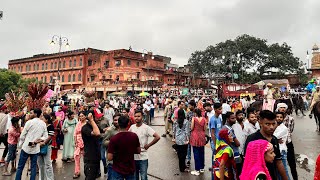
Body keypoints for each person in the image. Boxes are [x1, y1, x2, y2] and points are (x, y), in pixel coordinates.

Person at [244, 110, 288, 180]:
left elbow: (279, 162)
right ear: (260, 122)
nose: (271, 127)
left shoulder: (274, 139)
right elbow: (247, 163)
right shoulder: (252, 139)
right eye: (267, 124)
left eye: (273, 124)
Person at [15, 108, 48, 180]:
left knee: (20, 167)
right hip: (35, 148)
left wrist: (20, 145)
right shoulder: (43, 124)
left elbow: (22, 136)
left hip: (26, 146)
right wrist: (38, 140)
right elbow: (45, 136)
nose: (30, 114)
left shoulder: (29, 122)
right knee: (33, 168)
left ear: (36, 114)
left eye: (32, 113)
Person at [129, 110, 160, 180]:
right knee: (134, 177)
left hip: (143, 157)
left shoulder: (146, 128)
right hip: (133, 157)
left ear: (142, 117)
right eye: (135, 116)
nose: (137, 118)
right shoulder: (132, 127)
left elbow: (157, 137)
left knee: (143, 177)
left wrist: (148, 145)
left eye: (138, 116)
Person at [278, 103, 298, 180]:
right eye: (281, 107)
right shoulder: (275, 119)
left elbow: (291, 130)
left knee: (292, 164)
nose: (282, 109)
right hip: (279, 145)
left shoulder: (291, 119)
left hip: (288, 143)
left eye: (284, 107)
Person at [81, 110, 101, 180]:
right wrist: (91, 120)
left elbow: (103, 131)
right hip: (90, 158)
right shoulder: (85, 128)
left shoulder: (95, 125)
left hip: (96, 157)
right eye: (97, 117)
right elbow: (97, 133)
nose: (99, 119)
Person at [222, 112, 241, 176]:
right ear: (227, 119)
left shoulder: (225, 127)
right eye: (232, 118)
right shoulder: (228, 129)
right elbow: (237, 143)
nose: (235, 119)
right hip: (233, 154)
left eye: (235, 118)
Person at [103, 113, 121, 180]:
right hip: (112, 161)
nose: (116, 122)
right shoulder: (110, 130)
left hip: (121, 160)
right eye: (115, 120)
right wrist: (113, 142)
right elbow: (104, 142)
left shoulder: (123, 129)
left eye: (118, 120)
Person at [273, 111, 290, 179]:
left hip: (281, 151)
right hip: (275, 151)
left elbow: (272, 137)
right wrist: (275, 140)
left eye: (281, 117)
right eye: (277, 117)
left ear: (283, 118)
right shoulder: (274, 126)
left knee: (284, 172)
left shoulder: (284, 128)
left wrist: (275, 140)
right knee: (278, 173)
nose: (279, 118)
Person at [190, 108, 207, 176]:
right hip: (202, 136)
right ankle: (202, 168)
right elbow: (205, 128)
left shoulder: (194, 118)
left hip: (195, 136)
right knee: (202, 152)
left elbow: (192, 128)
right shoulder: (204, 119)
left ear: (195, 113)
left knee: (196, 153)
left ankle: (197, 169)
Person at [38, 114, 54, 180]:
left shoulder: (50, 126)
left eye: (43, 118)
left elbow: (50, 136)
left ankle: (50, 178)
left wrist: (44, 143)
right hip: (39, 146)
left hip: (47, 146)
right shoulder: (40, 126)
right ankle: (41, 178)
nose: (41, 119)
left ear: (47, 120)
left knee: (48, 164)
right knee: (40, 165)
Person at [73, 111, 86, 179]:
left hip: (85, 143)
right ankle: (77, 172)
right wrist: (75, 142)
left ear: (85, 116)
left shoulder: (87, 124)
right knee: (76, 157)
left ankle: (87, 172)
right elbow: (75, 133)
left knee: (86, 158)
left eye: (82, 116)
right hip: (78, 142)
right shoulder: (78, 123)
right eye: (80, 116)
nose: (81, 117)